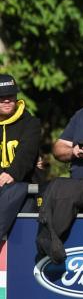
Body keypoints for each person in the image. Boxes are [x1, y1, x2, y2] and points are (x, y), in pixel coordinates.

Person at [0, 74, 40, 241]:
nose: (7, 100)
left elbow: (27, 153)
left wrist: (11, 173)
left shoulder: (30, 123)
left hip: (22, 187)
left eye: (11, 96)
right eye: (2, 97)